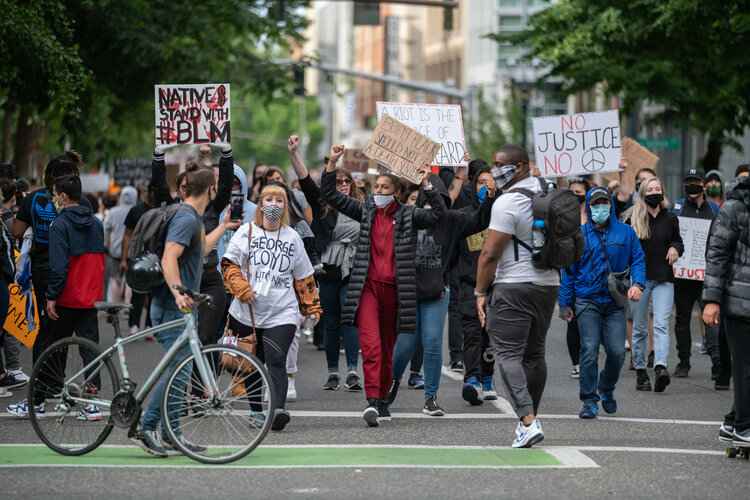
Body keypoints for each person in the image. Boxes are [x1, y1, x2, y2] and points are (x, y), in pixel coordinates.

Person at [321, 145, 445, 427]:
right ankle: (373, 401)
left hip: (396, 292)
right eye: (376, 185)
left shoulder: (409, 215)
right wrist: (332, 163)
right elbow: (330, 195)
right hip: (367, 289)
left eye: (384, 187)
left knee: (388, 348)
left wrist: (427, 184)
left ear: (396, 192)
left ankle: (384, 400)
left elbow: (438, 215)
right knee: (372, 345)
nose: (378, 190)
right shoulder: (365, 211)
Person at [132, 167, 231, 457]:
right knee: (180, 369)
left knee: (179, 370)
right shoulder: (186, 218)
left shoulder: (190, 217)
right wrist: (177, 292)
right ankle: (148, 426)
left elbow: (199, 251)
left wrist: (223, 227)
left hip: (182, 307)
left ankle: (172, 433)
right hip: (172, 306)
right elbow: (169, 256)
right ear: (211, 190)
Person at [474, 145, 560, 448]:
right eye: (494, 164)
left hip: (513, 284)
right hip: (549, 283)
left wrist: (480, 291)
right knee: (535, 354)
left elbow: (489, 253)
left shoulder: (507, 202)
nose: (496, 170)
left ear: (522, 166)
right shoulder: (549, 191)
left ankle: (527, 420)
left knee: (507, 354)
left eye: (502, 165)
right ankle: (529, 419)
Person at [222, 183, 321, 432]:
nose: (274, 205)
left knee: (276, 359)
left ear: (285, 205)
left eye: (279, 200)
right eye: (269, 199)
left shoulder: (292, 237)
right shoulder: (246, 232)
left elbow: (304, 277)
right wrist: (240, 287)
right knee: (252, 362)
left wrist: (312, 307)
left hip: (282, 311)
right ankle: (256, 411)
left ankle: (277, 410)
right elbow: (229, 264)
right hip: (247, 312)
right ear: (260, 204)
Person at [8, 152, 87, 418]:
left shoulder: (33, 198)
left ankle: (41, 386)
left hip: (43, 271)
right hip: (72, 270)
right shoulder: (78, 200)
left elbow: (16, 232)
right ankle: (56, 381)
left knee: (45, 329)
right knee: (62, 327)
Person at [560, 187, 646, 419]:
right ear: (589, 206)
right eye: (596, 204)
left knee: (617, 352)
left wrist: (638, 283)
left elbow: (638, 259)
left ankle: (606, 388)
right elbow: (568, 271)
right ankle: (589, 400)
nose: (601, 208)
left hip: (614, 301)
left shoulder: (626, 233)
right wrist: (565, 303)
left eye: (604, 203)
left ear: (610, 205)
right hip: (586, 299)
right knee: (588, 349)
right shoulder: (579, 234)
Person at [287, 135, 362, 391]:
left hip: (354, 270)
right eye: (338, 181)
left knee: (349, 317)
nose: (341, 185)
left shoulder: (362, 207)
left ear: (352, 185)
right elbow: (306, 181)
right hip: (328, 269)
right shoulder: (323, 205)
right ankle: (333, 372)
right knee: (330, 321)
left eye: (346, 181)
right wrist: (294, 153)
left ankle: (352, 370)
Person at [42, 174, 106, 420]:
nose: (53, 198)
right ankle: (92, 402)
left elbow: (58, 266)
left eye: (55, 194)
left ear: (63, 196)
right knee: (90, 349)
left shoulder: (59, 225)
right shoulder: (96, 223)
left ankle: (42, 397)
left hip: (67, 296)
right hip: (89, 296)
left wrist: (51, 296)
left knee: (54, 348)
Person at [703, 173, 750, 448]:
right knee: (745, 367)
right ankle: (744, 427)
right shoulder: (733, 209)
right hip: (739, 302)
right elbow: (717, 255)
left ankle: (732, 421)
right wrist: (712, 300)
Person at [629, 177, 683, 393]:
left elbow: (678, 240)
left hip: (664, 277)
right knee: (640, 327)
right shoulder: (633, 219)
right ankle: (641, 370)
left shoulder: (670, 218)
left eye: (657, 188)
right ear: (643, 194)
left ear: (663, 192)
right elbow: (626, 247)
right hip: (641, 280)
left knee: (661, 324)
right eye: (650, 189)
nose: (654, 192)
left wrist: (675, 248)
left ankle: (660, 367)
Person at [455, 166, 499, 404]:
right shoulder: (464, 214)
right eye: (482, 182)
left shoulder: (502, 216)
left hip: (495, 285)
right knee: (471, 333)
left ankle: (488, 378)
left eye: (491, 183)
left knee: (489, 335)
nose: (486, 187)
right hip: (469, 283)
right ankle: (472, 379)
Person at [671, 169, 720, 378]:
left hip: (706, 274)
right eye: (688, 182)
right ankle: (683, 362)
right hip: (683, 275)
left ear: (703, 185)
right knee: (682, 319)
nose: (692, 186)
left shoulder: (715, 210)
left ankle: (718, 362)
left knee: (711, 319)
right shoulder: (677, 208)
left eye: (696, 182)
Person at [564, 177, 591, 379]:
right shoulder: (563, 215)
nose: (575, 195)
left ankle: (588, 358)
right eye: (571, 191)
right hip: (571, 272)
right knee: (572, 319)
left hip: (592, 274)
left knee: (591, 319)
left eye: (579, 191)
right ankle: (576, 363)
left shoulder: (595, 214)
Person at [104, 186, 137, 303]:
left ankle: (114, 306)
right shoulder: (136, 211)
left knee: (114, 279)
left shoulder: (113, 212)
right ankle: (127, 306)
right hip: (133, 253)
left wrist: (106, 245)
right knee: (130, 281)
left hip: (115, 253)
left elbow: (106, 230)